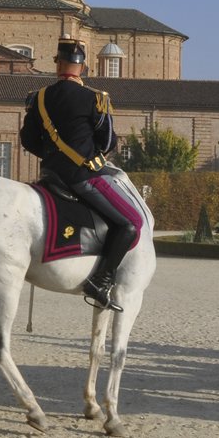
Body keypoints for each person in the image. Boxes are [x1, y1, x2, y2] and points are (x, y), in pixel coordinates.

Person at [19, 37, 141, 312]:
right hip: (82, 177)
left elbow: (27, 140)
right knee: (130, 224)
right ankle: (101, 280)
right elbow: (108, 141)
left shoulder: (38, 98)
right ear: (83, 67)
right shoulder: (95, 99)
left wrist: (52, 156)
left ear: (57, 65)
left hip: (50, 175)